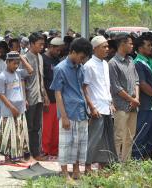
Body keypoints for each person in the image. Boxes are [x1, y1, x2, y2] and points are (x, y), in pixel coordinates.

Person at [50, 38, 93, 180]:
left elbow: (82, 88)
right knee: (66, 144)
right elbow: (57, 93)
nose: (82, 60)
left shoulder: (80, 68)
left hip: (81, 110)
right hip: (68, 111)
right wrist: (64, 116)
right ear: (73, 52)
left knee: (80, 143)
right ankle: (64, 173)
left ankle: (76, 170)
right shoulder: (60, 68)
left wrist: (88, 107)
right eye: (81, 57)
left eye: (84, 58)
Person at [83, 36, 118, 173]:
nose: (107, 49)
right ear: (95, 48)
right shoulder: (89, 65)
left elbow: (106, 86)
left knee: (106, 138)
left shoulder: (105, 64)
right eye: (104, 47)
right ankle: (87, 167)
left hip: (106, 106)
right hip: (96, 107)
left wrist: (111, 102)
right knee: (93, 138)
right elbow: (84, 88)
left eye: (107, 46)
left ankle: (102, 167)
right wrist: (91, 107)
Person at [0, 51, 34, 161]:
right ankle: (9, 155)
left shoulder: (18, 72)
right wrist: (11, 107)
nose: (16, 66)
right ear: (7, 62)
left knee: (20, 133)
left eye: (17, 63)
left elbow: (31, 70)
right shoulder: (2, 76)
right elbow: (0, 94)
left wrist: (21, 58)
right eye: (14, 63)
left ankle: (18, 154)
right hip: (9, 110)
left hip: (20, 108)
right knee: (9, 134)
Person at [109, 33, 139, 162]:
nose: (132, 46)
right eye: (130, 43)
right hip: (121, 105)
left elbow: (136, 80)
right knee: (119, 136)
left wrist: (136, 98)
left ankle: (125, 163)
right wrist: (132, 100)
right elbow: (116, 87)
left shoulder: (131, 60)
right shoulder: (113, 63)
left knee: (130, 136)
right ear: (122, 44)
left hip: (133, 105)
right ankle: (115, 164)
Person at [23, 32, 49, 161]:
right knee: (29, 127)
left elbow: (41, 78)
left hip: (39, 96)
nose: (42, 46)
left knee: (37, 127)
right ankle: (27, 153)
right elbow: (22, 80)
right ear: (32, 44)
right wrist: (24, 98)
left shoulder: (40, 57)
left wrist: (45, 95)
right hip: (29, 97)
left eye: (43, 44)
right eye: (40, 44)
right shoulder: (25, 58)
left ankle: (36, 152)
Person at [132, 36, 152, 160]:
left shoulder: (150, 61)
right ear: (140, 48)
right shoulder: (138, 63)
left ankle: (147, 156)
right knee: (142, 131)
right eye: (148, 45)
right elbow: (142, 84)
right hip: (146, 104)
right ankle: (136, 157)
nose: (151, 47)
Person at [41, 37, 64, 159]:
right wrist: (45, 96)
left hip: (57, 98)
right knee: (47, 127)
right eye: (57, 50)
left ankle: (54, 151)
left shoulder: (57, 60)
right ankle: (45, 150)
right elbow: (42, 80)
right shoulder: (43, 59)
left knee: (56, 127)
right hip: (48, 97)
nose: (58, 52)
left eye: (60, 50)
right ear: (50, 47)